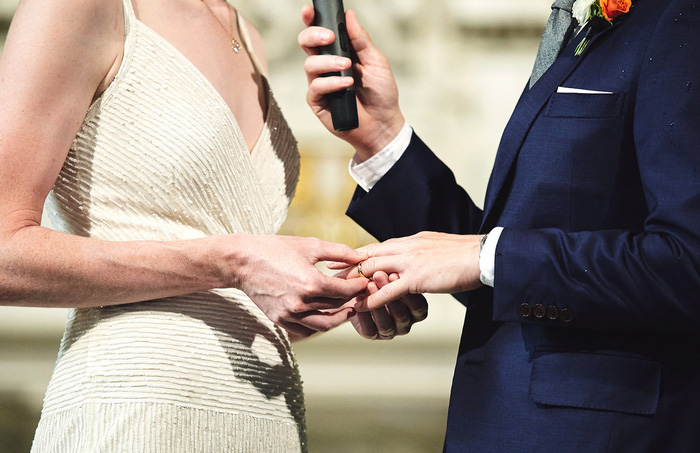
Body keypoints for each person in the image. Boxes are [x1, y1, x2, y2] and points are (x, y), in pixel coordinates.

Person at [0, 0, 428, 451]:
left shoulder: (247, 34)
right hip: (135, 417)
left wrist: (326, 297)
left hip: (263, 418)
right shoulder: (79, 7)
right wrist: (233, 263)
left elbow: (209, 298)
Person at [299, 0, 700, 451]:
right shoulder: (576, 21)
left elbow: (688, 262)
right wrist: (380, 138)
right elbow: (508, 268)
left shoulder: (678, 17)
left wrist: (486, 256)